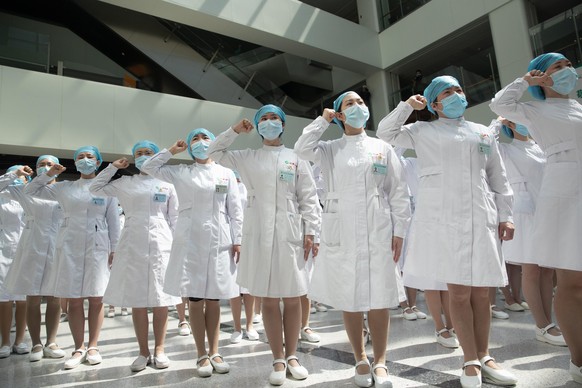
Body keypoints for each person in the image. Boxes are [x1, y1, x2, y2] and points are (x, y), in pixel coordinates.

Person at [377, 76, 518, 388]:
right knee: (459, 291)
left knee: (483, 291)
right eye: (446, 93)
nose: (455, 96)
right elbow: (385, 133)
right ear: (434, 104)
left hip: (481, 216)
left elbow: (498, 177)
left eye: (457, 90)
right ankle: (469, 360)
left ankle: (485, 356)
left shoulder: (482, 132)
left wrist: (506, 216)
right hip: (442, 219)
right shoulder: (422, 130)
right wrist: (406, 107)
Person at [294, 91, 410, 388]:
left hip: (377, 224)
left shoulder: (382, 147)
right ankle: (360, 357)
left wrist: (399, 230)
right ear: (339, 114)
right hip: (342, 225)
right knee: (350, 295)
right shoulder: (330, 148)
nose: (357, 107)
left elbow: (397, 191)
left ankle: (381, 360)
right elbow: (301, 148)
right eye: (349, 104)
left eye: (360, 102)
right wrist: (322, 121)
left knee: (380, 295)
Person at [207, 105, 320, 386]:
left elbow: (308, 195)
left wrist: (312, 231)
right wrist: (233, 131)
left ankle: (292, 355)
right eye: (264, 119)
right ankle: (278, 358)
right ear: (257, 126)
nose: (269, 123)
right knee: (268, 298)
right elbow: (212, 153)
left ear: (283, 124)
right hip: (258, 229)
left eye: (275, 119)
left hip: (291, 230)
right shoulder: (248, 156)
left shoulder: (296, 157)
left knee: (293, 296)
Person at [489, 52, 582, 384]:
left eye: (569, 64)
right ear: (542, 76)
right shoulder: (535, 109)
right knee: (571, 283)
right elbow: (500, 105)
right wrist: (526, 82)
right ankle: (578, 360)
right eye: (557, 67)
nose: (567, 70)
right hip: (565, 192)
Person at [141, 128, 243, 378]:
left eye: (205, 138)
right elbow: (148, 168)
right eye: (194, 139)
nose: (200, 143)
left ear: (213, 142)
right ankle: (201, 353)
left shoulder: (225, 173)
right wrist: (171, 151)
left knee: (214, 298)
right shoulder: (180, 172)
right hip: (190, 242)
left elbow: (235, 210)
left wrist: (239, 240)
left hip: (220, 240)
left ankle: (216, 351)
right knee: (196, 299)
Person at [25, 146, 120, 369]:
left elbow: (114, 221)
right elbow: (30, 191)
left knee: (96, 298)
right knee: (74, 299)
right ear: (74, 163)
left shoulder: (106, 190)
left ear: (98, 163)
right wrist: (50, 174)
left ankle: (94, 345)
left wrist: (115, 248)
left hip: (98, 246)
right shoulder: (63, 187)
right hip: (69, 246)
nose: (85, 160)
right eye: (80, 157)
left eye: (90, 157)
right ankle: (79, 347)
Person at [89, 140, 182, 372]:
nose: (143, 156)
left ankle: (160, 349)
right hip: (132, 243)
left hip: (162, 243)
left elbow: (176, 218)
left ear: (156, 155)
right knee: (138, 301)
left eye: (148, 153)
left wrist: (180, 246)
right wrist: (113, 167)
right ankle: (143, 351)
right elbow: (95, 188)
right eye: (139, 153)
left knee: (161, 300)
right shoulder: (125, 182)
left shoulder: (166, 183)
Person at [1, 158, 67, 362]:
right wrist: (15, 174)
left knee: (55, 297)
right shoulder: (27, 189)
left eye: (50, 164)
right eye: (42, 164)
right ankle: (36, 343)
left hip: (57, 245)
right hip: (31, 246)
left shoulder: (64, 190)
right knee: (33, 297)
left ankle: (52, 341)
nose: (46, 167)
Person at [395, 149, 457, 347]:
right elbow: (394, 157)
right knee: (431, 279)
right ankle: (439, 327)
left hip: (448, 221)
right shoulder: (411, 163)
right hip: (424, 223)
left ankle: (452, 324)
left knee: (448, 279)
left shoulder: (447, 162)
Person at [0, 166, 28, 359]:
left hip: (27, 251)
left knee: (23, 298)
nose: (20, 179)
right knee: (4, 299)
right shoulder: (2, 196)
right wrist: (13, 175)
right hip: (3, 251)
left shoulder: (31, 197)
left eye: (23, 176)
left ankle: (19, 340)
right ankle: (5, 342)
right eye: (17, 175)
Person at [228, 170, 259, 344]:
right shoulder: (225, 186)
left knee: (248, 286)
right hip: (231, 241)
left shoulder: (250, 188)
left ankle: (249, 325)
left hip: (250, 239)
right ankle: (236, 328)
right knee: (234, 286)